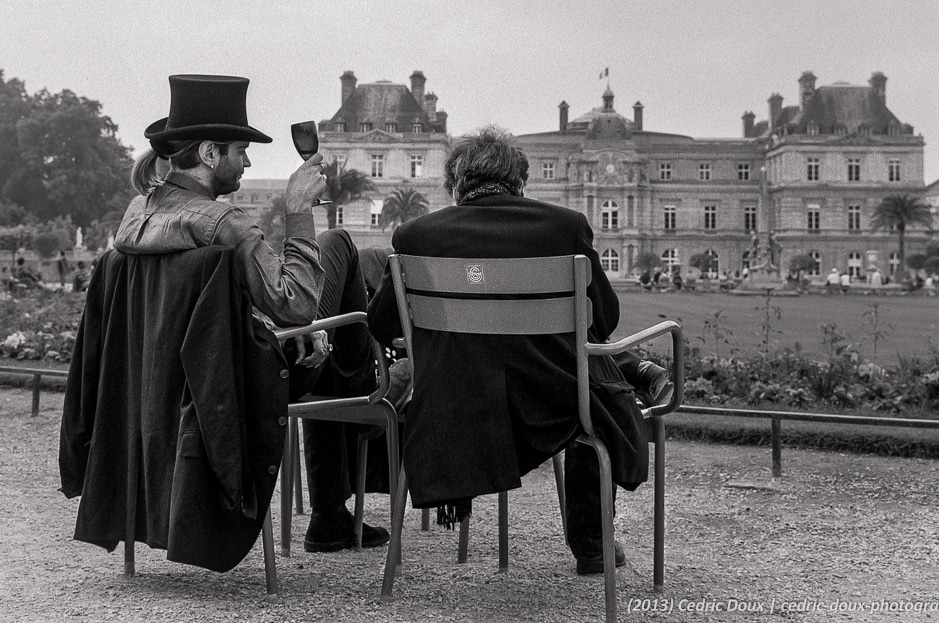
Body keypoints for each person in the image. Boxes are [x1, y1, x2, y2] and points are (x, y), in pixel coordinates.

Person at [367, 126, 672, 575]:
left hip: (454, 405)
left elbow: (383, 324)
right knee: (596, 393)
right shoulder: (564, 227)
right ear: (521, 182)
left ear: (456, 184)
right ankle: (592, 542)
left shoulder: (415, 236)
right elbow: (602, 320)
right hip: (554, 403)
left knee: (588, 379)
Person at [112, 74, 390, 554]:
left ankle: (332, 502)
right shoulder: (225, 223)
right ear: (208, 154)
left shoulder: (137, 216)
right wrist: (299, 206)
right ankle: (367, 390)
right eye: (241, 150)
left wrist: (261, 322)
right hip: (245, 379)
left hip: (175, 380)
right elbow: (298, 303)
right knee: (341, 247)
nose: (248, 160)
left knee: (326, 342)